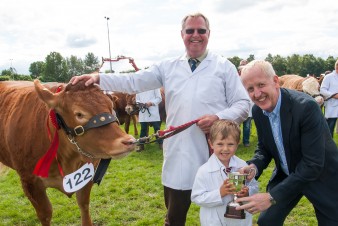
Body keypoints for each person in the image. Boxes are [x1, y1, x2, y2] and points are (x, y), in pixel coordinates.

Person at [70, 12, 250, 225]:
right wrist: (99, 78)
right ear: (182, 34)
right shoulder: (168, 66)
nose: (196, 35)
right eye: (190, 31)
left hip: (217, 151)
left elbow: (243, 104)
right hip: (180, 153)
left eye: (201, 31)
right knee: (174, 218)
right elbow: (134, 81)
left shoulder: (224, 67)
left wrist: (218, 118)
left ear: (208, 34)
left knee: (224, 213)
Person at [235, 60, 338, 226]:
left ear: (275, 81)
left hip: (321, 175)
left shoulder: (307, 108)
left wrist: (271, 197)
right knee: (267, 221)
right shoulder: (257, 111)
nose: (257, 93)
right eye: (250, 89)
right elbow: (264, 147)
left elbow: (313, 164)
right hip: (288, 174)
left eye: (261, 85)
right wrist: (254, 166)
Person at [191, 119, 258, 226]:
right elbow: (196, 197)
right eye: (220, 144)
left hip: (240, 220)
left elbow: (254, 186)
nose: (225, 149)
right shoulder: (204, 170)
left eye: (230, 144)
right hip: (214, 220)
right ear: (211, 144)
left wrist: (247, 192)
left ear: (237, 143)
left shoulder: (243, 165)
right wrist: (220, 193)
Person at [320, 59, 338, 138]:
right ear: (336, 66)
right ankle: (328, 148)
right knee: (329, 130)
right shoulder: (328, 77)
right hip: (332, 107)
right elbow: (322, 90)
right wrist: (334, 95)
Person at [238, 59, 253, 147]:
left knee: (246, 125)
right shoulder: (236, 79)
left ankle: (245, 141)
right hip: (238, 105)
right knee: (237, 125)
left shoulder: (250, 80)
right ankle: (237, 140)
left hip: (248, 105)